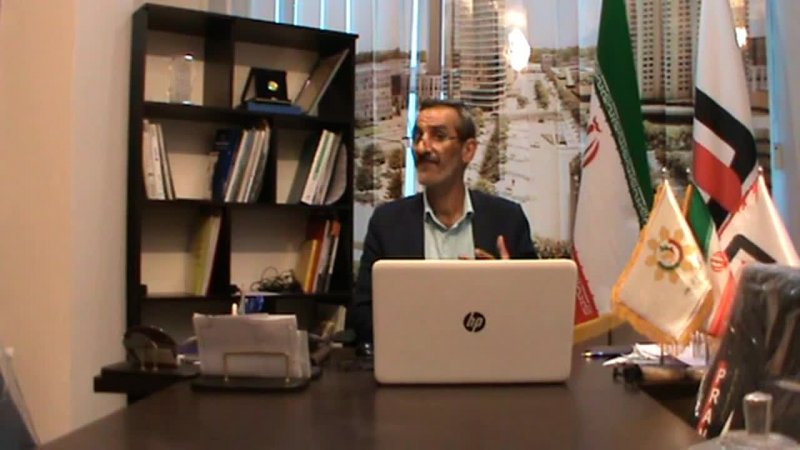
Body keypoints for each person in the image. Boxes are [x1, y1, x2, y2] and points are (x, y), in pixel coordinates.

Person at [349, 99, 538, 344]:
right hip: (415, 359)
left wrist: (507, 287)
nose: (422, 147)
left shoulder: (507, 219)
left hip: (488, 358)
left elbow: (536, 312)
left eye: (438, 136)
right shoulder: (387, 223)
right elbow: (362, 316)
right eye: (418, 136)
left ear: (468, 150)